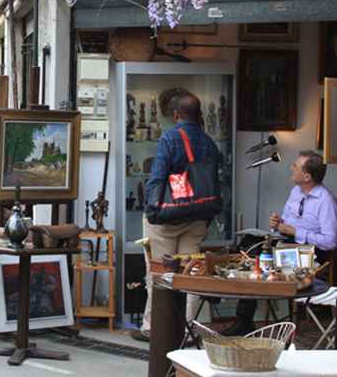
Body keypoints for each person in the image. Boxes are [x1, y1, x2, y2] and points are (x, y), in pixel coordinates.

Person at [132, 92, 222, 342]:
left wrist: (152, 211)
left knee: (160, 273)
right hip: (197, 218)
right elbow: (215, 180)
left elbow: (158, 177)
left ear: (176, 115)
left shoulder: (170, 138)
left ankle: (155, 328)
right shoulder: (209, 142)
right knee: (190, 274)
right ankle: (187, 329)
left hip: (167, 218)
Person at [223, 151, 337, 336]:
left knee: (256, 258)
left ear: (307, 176)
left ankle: (243, 320)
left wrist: (295, 232)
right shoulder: (295, 192)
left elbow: (331, 241)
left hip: (309, 253)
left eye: (296, 166)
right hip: (286, 243)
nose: (291, 168)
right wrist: (278, 222)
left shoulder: (326, 201)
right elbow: (285, 223)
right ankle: (242, 318)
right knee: (249, 245)